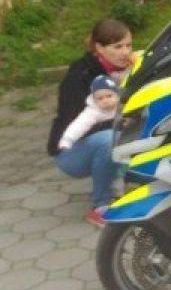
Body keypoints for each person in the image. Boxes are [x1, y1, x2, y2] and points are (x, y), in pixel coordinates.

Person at [48, 18, 133, 227]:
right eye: (118, 47)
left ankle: (128, 184)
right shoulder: (80, 75)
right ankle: (100, 206)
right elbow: (76, 123)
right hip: (70, 150)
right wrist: (122, 122)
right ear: (99, 48)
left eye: (128, 45)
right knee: (109, 139)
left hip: (104, 135)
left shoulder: (126, 69)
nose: (125, 52)